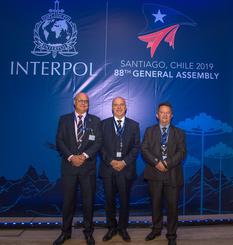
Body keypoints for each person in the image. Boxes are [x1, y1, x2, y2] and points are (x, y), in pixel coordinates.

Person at [53, 92, 102, 245]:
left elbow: (98, 142)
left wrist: (84, 156)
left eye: (86, 101)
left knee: (88, 202)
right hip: (69, 168)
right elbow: (59, 141)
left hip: (88, 168)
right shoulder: (64, 119)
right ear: (74, 102)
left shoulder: (95, 121)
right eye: (80, 101)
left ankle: (88, 233)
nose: (83, 103)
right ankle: (65, 232)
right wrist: (71, 157)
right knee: (68, 202)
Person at [141, 102, 186, 245]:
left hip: (172, 174)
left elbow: (182, 152)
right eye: (162, 112)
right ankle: (156, 229)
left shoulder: (179, 132)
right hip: (154, 174)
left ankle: (171, 234)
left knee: (172, 207)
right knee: (155, 205)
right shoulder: (149, 131)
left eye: (168, 113)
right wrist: (157, 162)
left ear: (172, 115)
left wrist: (167, 163)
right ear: (157, 115)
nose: (165, 115)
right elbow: (144, 149)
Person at [99, 96, 140, 242]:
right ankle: (111, 228)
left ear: (126, 107)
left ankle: (122, 228)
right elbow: (100, 146)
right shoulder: (103, 124)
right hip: (108, 169)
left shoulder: (134, 125)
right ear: (112, 107)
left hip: (126, 169)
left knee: (124, 201)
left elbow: (136, 148)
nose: (118, 107)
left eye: (121, 104)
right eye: (115, 105)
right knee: (109, 201)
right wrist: (111, 161)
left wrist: (124, 162)